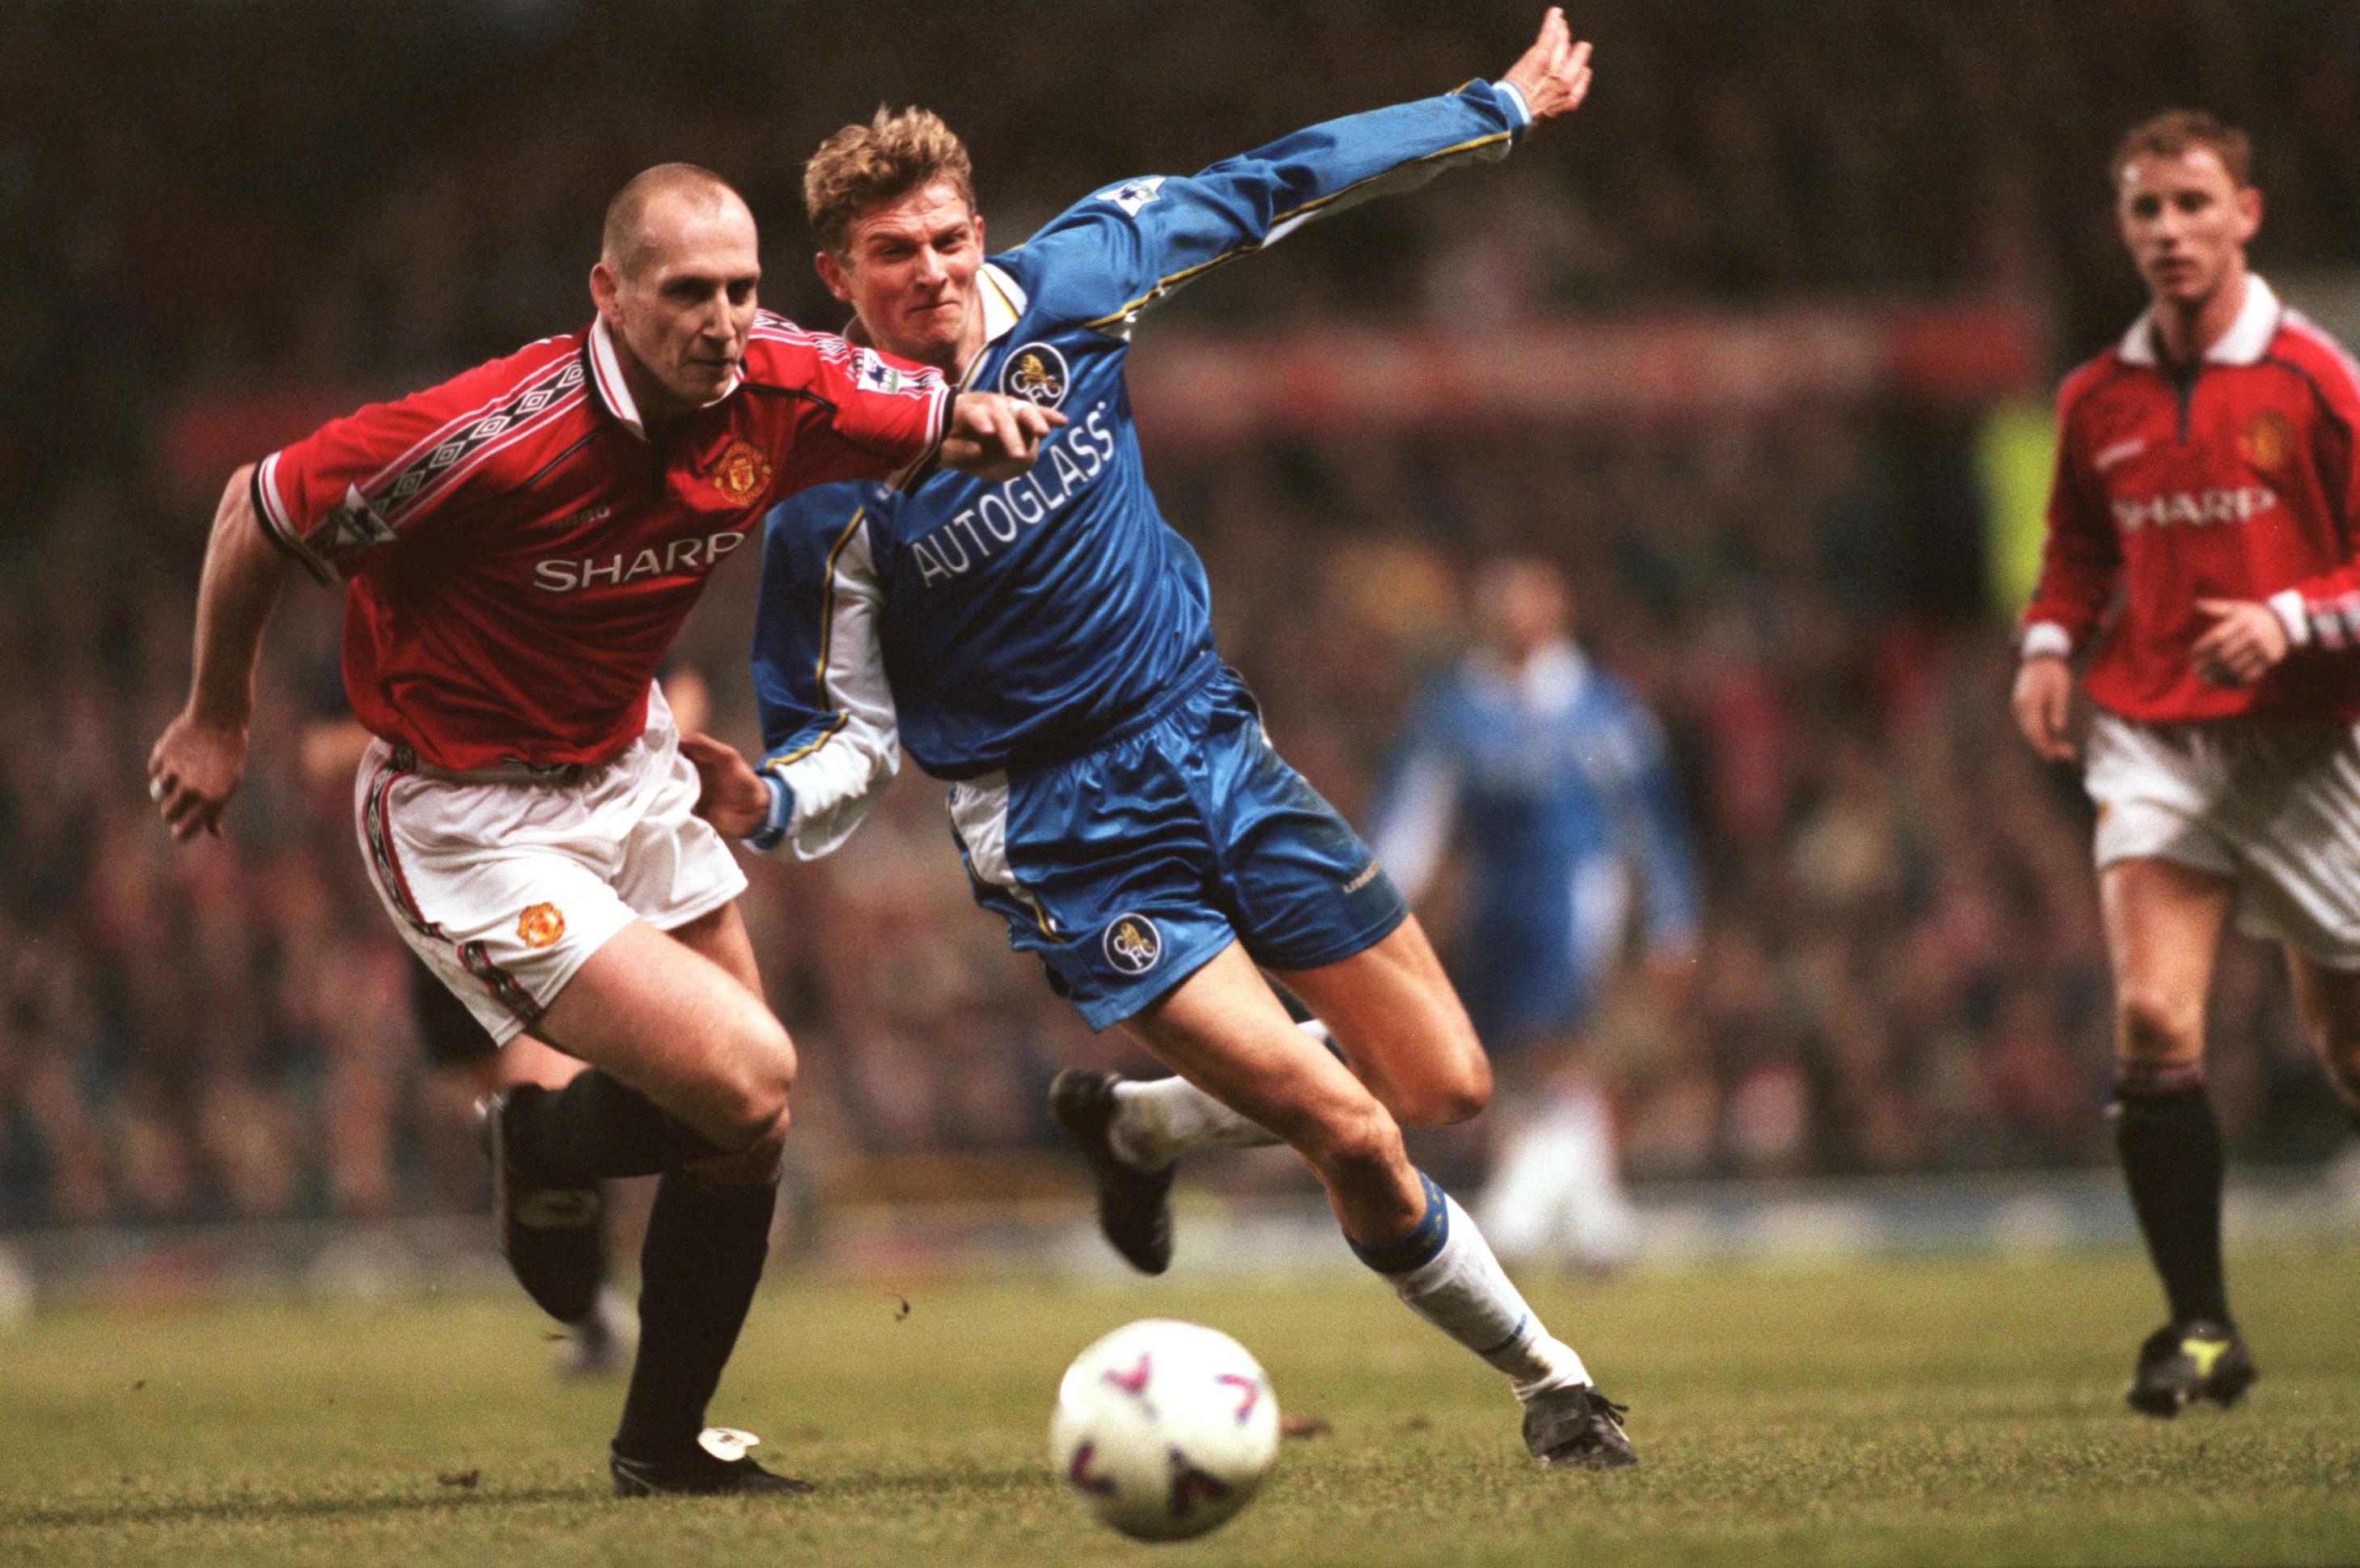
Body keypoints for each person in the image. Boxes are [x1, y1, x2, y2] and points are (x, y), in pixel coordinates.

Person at [689, 11, 1638, 1469]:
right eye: (894, 254)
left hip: (1211, 741)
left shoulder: (1077, 280)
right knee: (1354, 1129)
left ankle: (1142, 1130)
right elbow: (844, 738)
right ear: (837, 279)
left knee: (1446, 1084)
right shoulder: (827, 488)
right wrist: (766, 795)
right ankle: (1552, 1380)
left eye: (946, 237)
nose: (932, 271)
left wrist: (1494, 107)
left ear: (979, 228)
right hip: (1066, 835)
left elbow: (1280, 179)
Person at [147, 162, 1057, 1494]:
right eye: (688, 292)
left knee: (749, 1120)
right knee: (749, 1071)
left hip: (625, 763)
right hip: (468, 814)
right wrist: (216, 715)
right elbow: (259, 504)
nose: (724, 319)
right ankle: (536, 1140)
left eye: (743, 289)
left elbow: (923, 411)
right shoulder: (492, 432)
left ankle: (660, 1443)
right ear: (611, 294)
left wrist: (983, 426)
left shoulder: (784, 384)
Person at [2010, 111, 2360, 1418]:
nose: (2165, 230)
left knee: (2348, 1051)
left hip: (2311, 743)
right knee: (2155, 1017)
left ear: (2245, 215)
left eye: (2189, 204)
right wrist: (2047, 647)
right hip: (2154, 734)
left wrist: (2295, 615)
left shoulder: (2317, 378)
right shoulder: (2093, 397)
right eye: (2143, 207)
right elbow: (2075, 553)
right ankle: (2198, 1327)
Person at [1369, 557, 1699, 1273]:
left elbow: (1650, 820)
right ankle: (1598, 1222)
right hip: (1493, 895)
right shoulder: (1454, 707)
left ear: (1556, 615)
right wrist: (1376, 901)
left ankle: (1514, 1214)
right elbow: (1415, 814)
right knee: (1512, 1060)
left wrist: (1672, 916)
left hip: (1577, 889)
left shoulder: (1602, 707)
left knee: (1550, 1044)